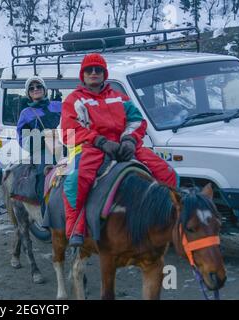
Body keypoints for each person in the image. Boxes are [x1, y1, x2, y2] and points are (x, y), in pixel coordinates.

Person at [61, 53, 178, 247]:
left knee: (167, 173)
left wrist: (130, 140)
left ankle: (170, 220)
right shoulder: (74, 100)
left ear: (104, 73)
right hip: (93, 147)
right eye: (89, 70)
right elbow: (69, 131)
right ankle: (75, 227)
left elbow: (137, 120)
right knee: (75, 181)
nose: (94, 73)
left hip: (125, 146)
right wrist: (99, 141)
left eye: (98, 70)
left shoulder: (119, 97)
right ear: (83, 74)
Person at [16, 76, 61, 217]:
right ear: (28, 93)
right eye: (31, 88)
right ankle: (46, 212)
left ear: (44, 89)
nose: (35, 89)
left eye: (39, 86)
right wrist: (42, 136)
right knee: (44, 172)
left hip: (64, 146)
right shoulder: (26, 113)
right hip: (41, 150)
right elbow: (22, 139)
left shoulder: (59, 105)